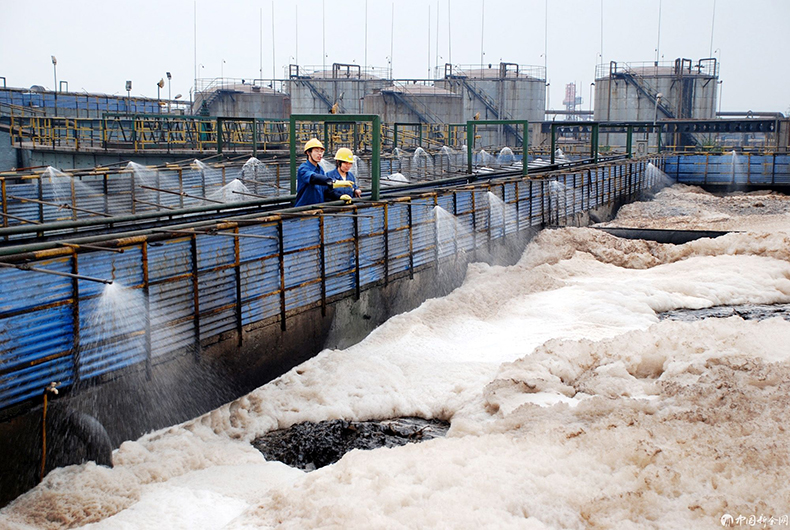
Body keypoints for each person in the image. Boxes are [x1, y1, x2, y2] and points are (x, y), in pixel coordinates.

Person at [294, 138, 334, 207]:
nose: (320, 154)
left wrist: (340, 196)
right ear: (308, 152)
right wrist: (329, 180)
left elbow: (326, 191)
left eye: (321, 151)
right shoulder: (303, 168)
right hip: (303, 211)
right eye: (316, 151)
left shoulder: (320, 170)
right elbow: (313, 178)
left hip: (318, 210)